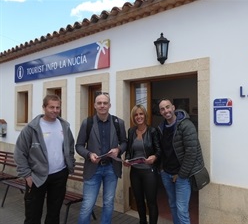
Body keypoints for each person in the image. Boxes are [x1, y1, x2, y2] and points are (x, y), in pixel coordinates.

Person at [14, 94, 75, 224]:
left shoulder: (64, 126)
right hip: (36, 177)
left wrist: (70, 164)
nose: (55, 110)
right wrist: (26, 175)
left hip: (59, 175)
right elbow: (20, 152)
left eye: (57, 107)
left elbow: (70, 146)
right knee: (33, 215)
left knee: (54, 214)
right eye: (51, 107)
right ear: (44, 107)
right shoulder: (31, 128)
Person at [76, 92, 127, 224]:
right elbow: (79, 146)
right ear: (94, 105)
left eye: (105, 103)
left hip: (111, 168)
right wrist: (89, 154)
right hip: (93, 168)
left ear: (109, 105)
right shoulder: (87, 123)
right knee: (87, 205)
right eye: (99, 103)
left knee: (109, 203)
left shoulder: (118, 123)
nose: (102, 105)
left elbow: (124, 142)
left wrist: (118, 149)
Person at [157, 98, 204, 224]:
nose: (165, 110)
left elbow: (191, 153)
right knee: (172, 205)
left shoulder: (186, 125)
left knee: (182, 209)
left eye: (167, 107)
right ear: (160, 112)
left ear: (173, 107)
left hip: (182, 176)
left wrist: (181, 175)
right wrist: (161, 169)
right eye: (162, 109)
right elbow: (162, 150)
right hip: (166, 173)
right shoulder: (161, 128)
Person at [124, 104, 161, 224]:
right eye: (136, 115)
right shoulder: (131, 131)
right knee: (139, 201)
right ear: (133, 117)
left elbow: (159, 150)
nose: (138, 117)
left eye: (141, 114)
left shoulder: (153, 131)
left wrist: (154, 157)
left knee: (151, 202)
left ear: (145, 115)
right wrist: (127, 160)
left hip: (149, 172)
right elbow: (129, 151)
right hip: (135, 172)